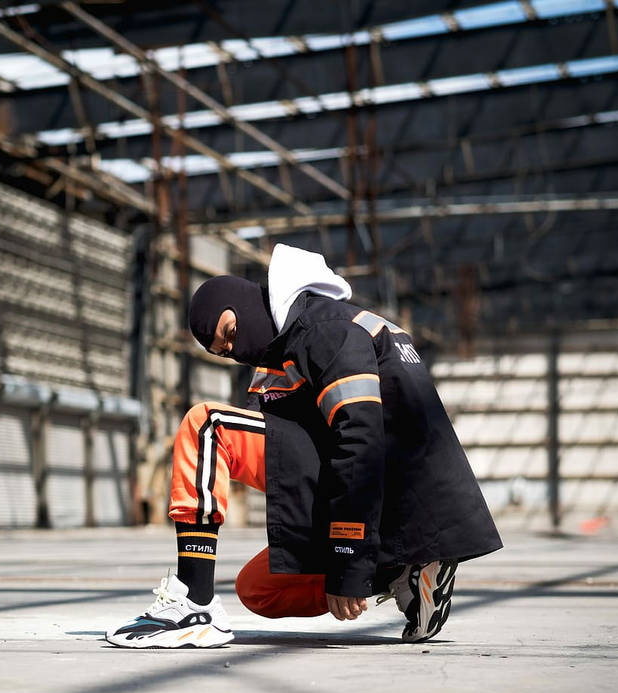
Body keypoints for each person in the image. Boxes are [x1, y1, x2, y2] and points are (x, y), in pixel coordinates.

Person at [105, 243, 502, 649]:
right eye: (226, 353)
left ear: (245, 303)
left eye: (230, 333)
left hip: (378, 489)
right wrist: (361, 571)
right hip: (398, 513)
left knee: (206, 425)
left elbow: (360, 442)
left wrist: (348, 563)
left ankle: (194, 602)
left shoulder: (322, 330)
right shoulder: (310, 338)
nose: (236, 350)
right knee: (258, 589)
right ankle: (403, 571)